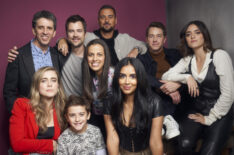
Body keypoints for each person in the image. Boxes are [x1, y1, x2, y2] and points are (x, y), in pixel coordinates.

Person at [162, 20, 234, 155]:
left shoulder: (219, 56)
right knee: (183, 145)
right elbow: (166, 76)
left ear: (204, 35)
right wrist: (186, 78)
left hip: (220, 113)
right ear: (186, 40)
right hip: (198, 109)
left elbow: (229, 94)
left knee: (208, 152)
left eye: (197, 32)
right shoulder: (188, 60)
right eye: (188, 34)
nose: (192, 36)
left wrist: (209, 118)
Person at [3, 10, 62, 113]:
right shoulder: (18, 55)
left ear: (54, 33)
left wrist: (62, 40)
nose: (45, 32)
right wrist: (20, 116)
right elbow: (9, 93)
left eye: (49, 28)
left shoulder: (57, 55)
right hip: (27, 118)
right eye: (40, 27)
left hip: (53, 117)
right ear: (34, 30)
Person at [104, 57, 164, 154]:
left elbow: (155, 142)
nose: (127, 82)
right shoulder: (109, 102)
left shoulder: (154, 102)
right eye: (122, 76)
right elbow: (112, 139)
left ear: (140, 78)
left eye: (133, 76)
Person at [57, 4, 147, 66]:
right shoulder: (88, 36)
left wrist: (136, 49)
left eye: (110, 17)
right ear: (98, 21)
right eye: (103, 17)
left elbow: (144, 45)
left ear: (115, 20)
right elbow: (73, 38)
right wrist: (62, 40)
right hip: (97, 82)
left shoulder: (125, 38)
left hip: (121, 82)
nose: (106, 20)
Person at [138, 22, 182, 139]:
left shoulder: (175, 54)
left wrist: (176, 85)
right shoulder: (141, 59)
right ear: (146, 39)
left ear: (164, 39)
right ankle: (164, 120)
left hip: (176, 99)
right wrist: (166, 88)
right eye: (151, 36)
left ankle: (162, 122)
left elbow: (186, 72)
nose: (155, 40)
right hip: (152, 98)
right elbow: (142, 76)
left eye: (158, 36)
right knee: (143, 85)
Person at [9, 66, 66, 155]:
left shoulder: (62, 108)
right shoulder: (21, 105)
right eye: (43, 80)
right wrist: (51, 145)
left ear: (58, 86)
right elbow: (17, 144)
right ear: (37, 86)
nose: (49, 84)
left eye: (53, 80)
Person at [82, 39, 114, 138]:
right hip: (98, 120)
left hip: (114, 122)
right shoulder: (90, 75)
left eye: (99, 54)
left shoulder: (114, 76)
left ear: (105, 57)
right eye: (91, 55)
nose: (94, 59)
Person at [59, 14, 86, 96]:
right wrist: (61, 40)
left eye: (79, 31)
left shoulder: (92, 57)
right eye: (71, 31)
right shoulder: (60, 53)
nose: (75, 35)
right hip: (63, 106)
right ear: (67, 34)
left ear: (85, 33)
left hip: (85, 106)